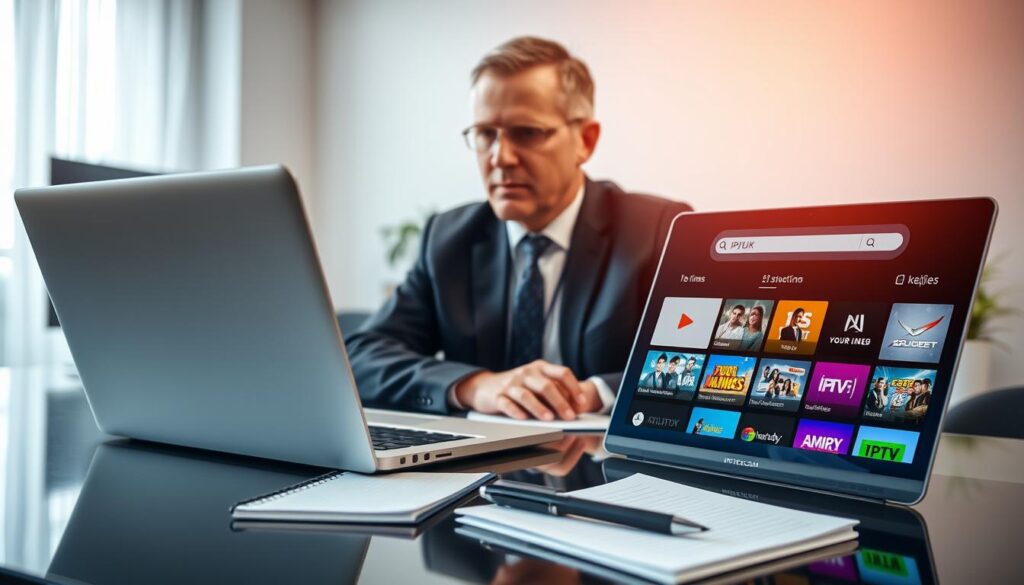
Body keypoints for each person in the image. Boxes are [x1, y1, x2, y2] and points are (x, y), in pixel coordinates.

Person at [346, 37, 688, 421]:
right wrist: (476, 385)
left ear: (585, 141)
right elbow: (360, 357)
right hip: (481, 470)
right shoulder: (449, 238)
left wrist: (595, 392)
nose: (501, 158)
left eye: (527, 132)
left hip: (603, 466)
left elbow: (699, 365)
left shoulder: (659, 231)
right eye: (485, 134)